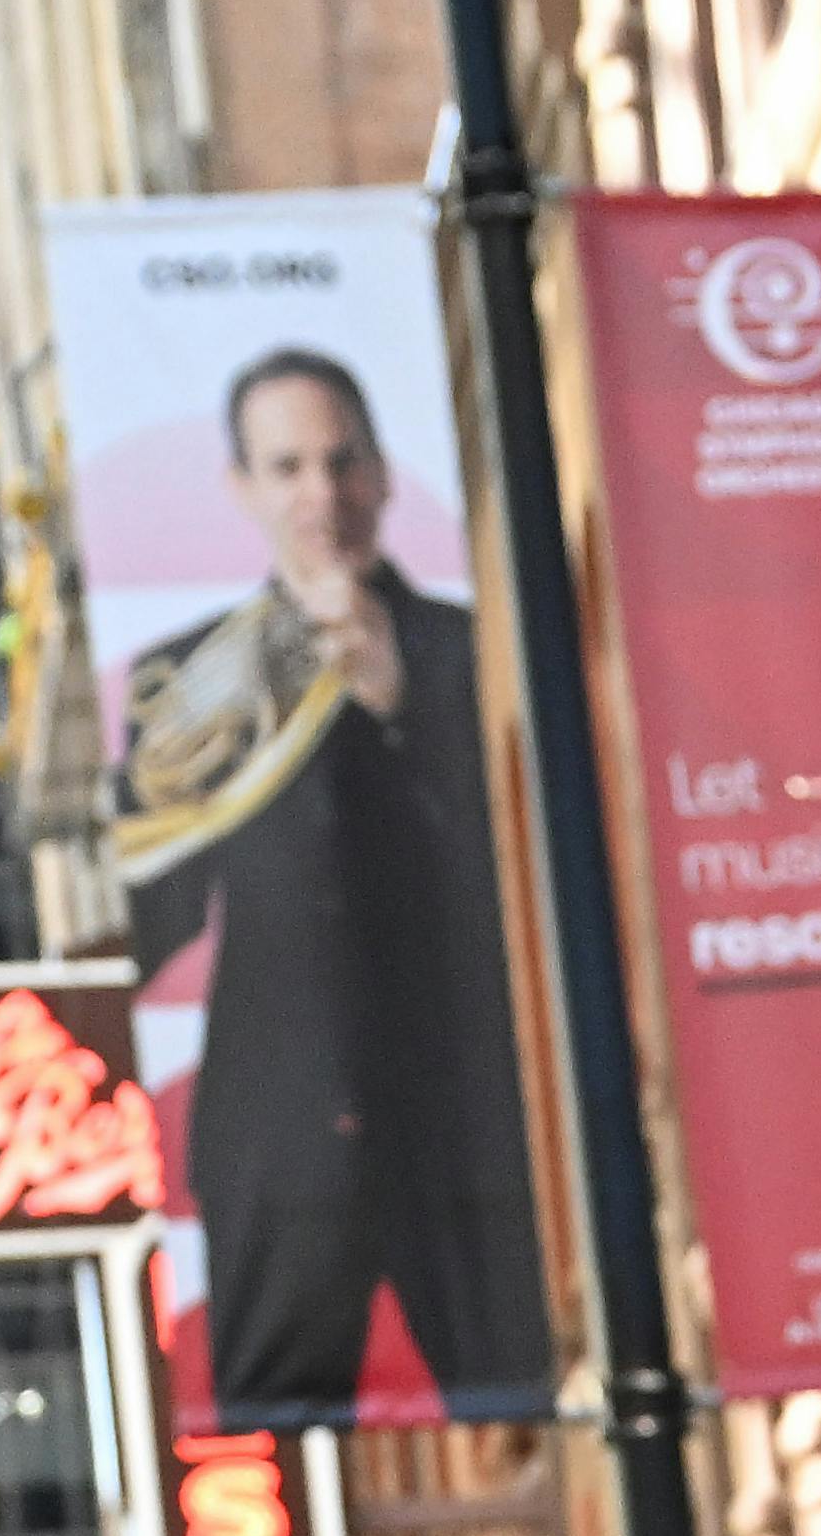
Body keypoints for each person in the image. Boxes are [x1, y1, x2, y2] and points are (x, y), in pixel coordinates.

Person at [112, 346, 555, 1425]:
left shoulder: (471, 644)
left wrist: (399, 707)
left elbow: (523, 846)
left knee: (534, 1399)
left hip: (466, 1120)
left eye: (342, 461)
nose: (321, 494)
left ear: (383, 474)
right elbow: (157, 924)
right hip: (278, 1140)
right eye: (288, 467)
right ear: (243, 489)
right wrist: (166, 779)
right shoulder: (192, 674)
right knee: (273, 1454)